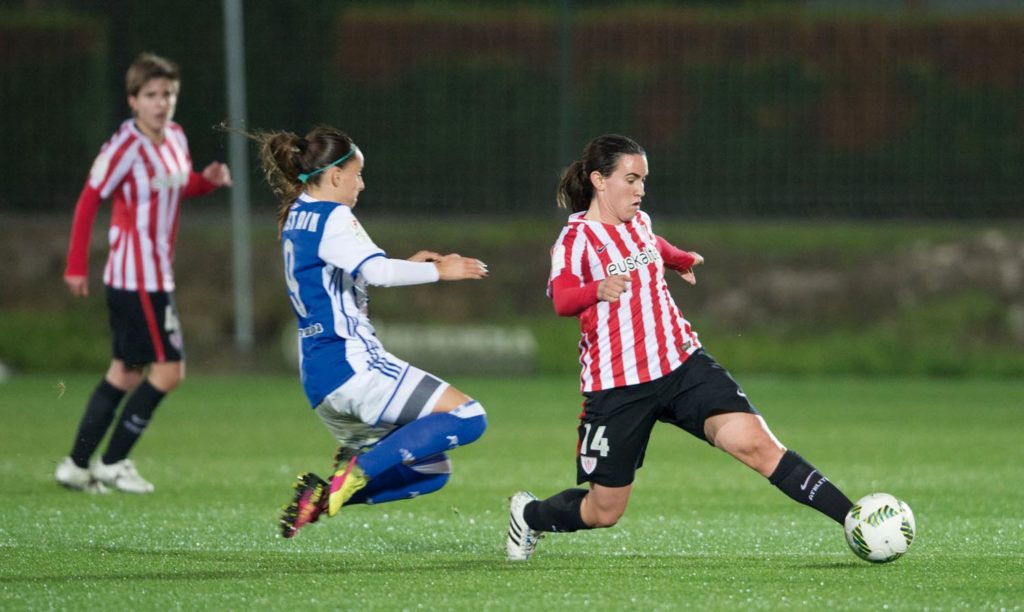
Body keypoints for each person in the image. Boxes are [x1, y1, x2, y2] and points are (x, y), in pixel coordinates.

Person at [506, 134, 854, 561]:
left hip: (682, 365)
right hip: (619, 386)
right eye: (631, 179)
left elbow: (653, 247)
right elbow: (561, 298)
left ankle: (855, 521)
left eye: (644, 181)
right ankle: (530, 515)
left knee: (758, 446)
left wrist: (680, 258)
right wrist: (597, 289)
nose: (640, 190)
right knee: (604, 510)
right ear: (599, 180)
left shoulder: (640, 221)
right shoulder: (575, 239)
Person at [246, 124, 489, 539]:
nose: (361, 183)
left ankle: (321, 498)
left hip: (321, 381)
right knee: (469, 417)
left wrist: (409, 263)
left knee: (431, 470)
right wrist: (437, 270)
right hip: (353, 365)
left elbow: (345, 280)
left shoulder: (298, 215)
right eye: (356, 174)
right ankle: (358, 471)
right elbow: (377, 271)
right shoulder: (333, 214)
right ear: (336, 176)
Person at [56, 53, 232, 494]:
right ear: (133, 100)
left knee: (125, 373)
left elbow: (178, 185)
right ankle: (114, 462)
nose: (161, 103)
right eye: (151, 95)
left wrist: (204, 181)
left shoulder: (174, 136)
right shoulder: (124, 147)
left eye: (168, 94)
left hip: (153, 276)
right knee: (169, 372)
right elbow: (88, 199)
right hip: (138, 279)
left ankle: (77, 466)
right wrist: (76, 264)